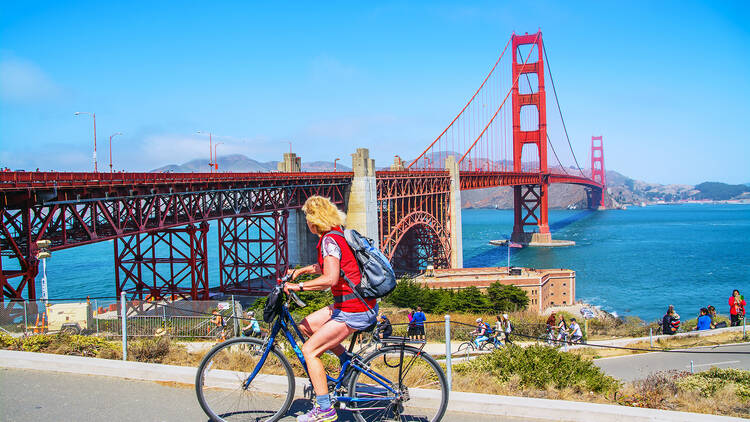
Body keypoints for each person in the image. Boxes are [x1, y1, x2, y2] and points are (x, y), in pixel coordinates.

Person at [282, 195, 377, 422]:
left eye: (307, 217)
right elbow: (330, 264)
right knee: (306, 326)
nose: (306, 221)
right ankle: (347, 362)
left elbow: (331, 278)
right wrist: (303, 271)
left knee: (310, 351)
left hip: (354, 309)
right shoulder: (337, 233)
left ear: (315, 219)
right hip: (352, 303)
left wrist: (299, 286)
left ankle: (324, 409)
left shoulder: (329, 240)